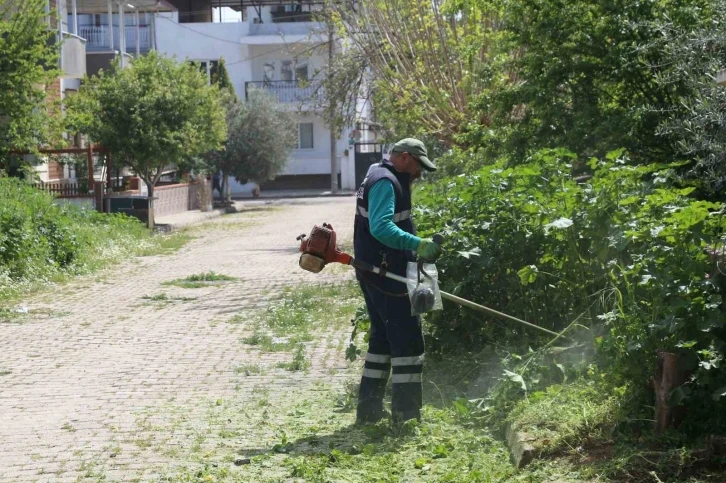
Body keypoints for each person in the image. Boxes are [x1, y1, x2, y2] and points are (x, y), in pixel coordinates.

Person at [353, 138, 442, 424]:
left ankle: (369, 412)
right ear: (404, 157)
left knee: (382, 339)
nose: (418, 172)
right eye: (417, 165)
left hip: (376, 270)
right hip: (386, 274)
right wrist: (418, 244)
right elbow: (381, 227)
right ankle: (406, 415)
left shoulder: (377, 172)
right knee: (407, 340)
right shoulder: (386, 182)